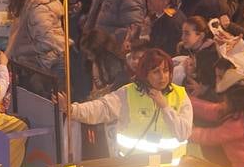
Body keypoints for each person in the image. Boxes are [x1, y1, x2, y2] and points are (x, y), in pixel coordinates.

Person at [57, 48, 193, 159]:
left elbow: (183, 133)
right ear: (145, 74)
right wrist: (72, 109)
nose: (163, 77)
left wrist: (165, 107)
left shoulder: (180, 95)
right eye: (156, 72)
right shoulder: (128, 93)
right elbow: (100, 108)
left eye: (166, 71)